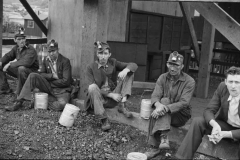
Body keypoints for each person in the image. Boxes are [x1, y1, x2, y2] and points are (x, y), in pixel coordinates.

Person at [176, 66, 240, 159]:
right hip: (226, 125)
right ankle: (182, 158)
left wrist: (224, 134)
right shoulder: (222, 87)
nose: (233, 86)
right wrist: (214, 125)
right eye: (230, 82)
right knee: (198, 122)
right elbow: (209, 110)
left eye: (237, 82)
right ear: (226, 82)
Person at [144, 51, 195, 159]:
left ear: (182, 66)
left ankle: (158, 143)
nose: (172, 68)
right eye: (170, 64)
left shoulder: (189, 81)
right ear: (167, 64)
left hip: (181, 115)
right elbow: (155, 96)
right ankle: (161, 142)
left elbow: (184, 103)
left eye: (176, 65)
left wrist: (164, 108)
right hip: (165, 113)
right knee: (157, 111)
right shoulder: (162, 77)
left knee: (163, 105)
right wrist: (158, 105)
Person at [5, 39, 73, 111]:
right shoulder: (46, 60)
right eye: (49, 52)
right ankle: (19, 102)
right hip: (49, 86)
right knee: (33, 75)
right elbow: (41, 74)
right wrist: (52, 76)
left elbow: (66, 81)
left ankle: (41, 101)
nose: (51, 54)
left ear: (58, 50)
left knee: (61, 105)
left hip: (61, 90)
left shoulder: (65, 61)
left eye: (53, 51)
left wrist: (50, 82)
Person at [85, 41, 138, 131]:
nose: (103, 56)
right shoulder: (90, 67)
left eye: (105, 53)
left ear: (109, 54)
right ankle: (104, 119)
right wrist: (111, 95)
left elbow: (133, 65)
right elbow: (90, 89)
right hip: (99, 100)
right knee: (92, 87)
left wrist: (125, 70)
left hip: (114, 98)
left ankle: (122, 104)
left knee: (130, 72)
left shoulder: (113, 62)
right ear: (97, 54)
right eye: (100, 53)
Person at [0, 28, 39, 95]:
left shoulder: (31, 49)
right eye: (19, 39)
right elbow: (8, 56)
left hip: (32, 73)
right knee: (1, 65)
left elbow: (26, 63)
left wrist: (9, 64)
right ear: (15, 40)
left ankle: (22, 93)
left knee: (21, 68)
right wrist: (1, 62)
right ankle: (5, 88)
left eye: (23, 39)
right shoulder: (16, 48)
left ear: (25, 39)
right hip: (21, 72)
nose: (21, 41)